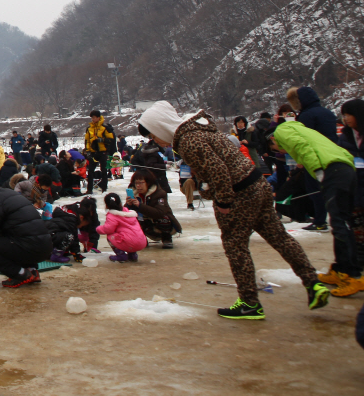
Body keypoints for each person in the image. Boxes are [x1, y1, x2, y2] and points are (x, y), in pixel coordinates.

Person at [139, 100, 330, 320]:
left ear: (160, 127)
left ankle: (249, 303)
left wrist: (223, 202)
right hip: (257, 184)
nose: (155, 140)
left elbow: (217, 170)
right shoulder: (201, 129)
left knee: (235, 246)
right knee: (279, 237)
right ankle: (313, 282)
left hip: (239, 192)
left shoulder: (189, 140)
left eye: (153, 135)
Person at [268, 118, 361, 297]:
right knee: (341, 223)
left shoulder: (282, 132)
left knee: (340, 224)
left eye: (278, 149)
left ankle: (353, 275)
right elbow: (341, 151)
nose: (283, 152)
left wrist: (318, 171)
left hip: (332, 171)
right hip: (344, 168)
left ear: (273, 140)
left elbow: (302, 147)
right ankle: (340, 269)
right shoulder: (302, 130)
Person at [0, 182, 52, 288]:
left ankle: (20, 274)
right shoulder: (9, 194)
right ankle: (32, 271)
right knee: (15, 238)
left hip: (30, 247)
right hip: (45, 246)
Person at [126, 169, 178, 248]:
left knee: (164, 218)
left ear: (148, 183)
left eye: (141, 183)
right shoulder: (134, 194)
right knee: (129, 218)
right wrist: (128, 205)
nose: (138, 186)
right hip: (144, 223)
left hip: (157, 222)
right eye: (136, 183)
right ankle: (141, 239)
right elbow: (124, 214)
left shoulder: (159, 194)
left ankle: (166, 238)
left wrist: (140, 205)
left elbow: (160, 213)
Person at [97, 193, 147, 262]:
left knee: (110, 235)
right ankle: (132, 255)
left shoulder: (112, 216)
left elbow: (108, 229)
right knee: (130, 234)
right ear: (120, 203)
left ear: (106, 205)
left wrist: (98, 229)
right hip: (142, 242)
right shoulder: (129, 213)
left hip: (131, 243)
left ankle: (121, 255)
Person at [84, 110, 114, 194]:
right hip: (93, 152)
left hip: (103, 152)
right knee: (90, 171)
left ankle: (104, 188)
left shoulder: (105, 127)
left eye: (94, 117)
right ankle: (89, 189)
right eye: (92, 118)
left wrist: (102, 140)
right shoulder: (89, 128)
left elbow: (111, 139)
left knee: (104, 170)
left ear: (98, 117)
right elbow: (87, 140)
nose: (92, 119)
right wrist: (87, 150)